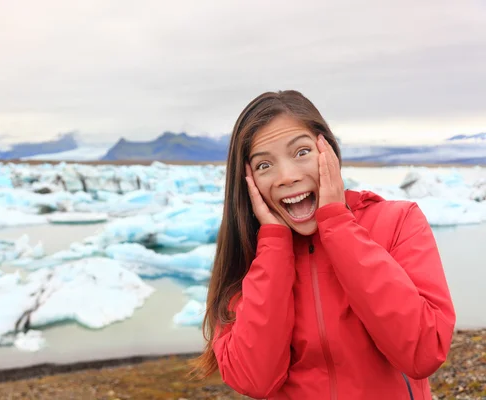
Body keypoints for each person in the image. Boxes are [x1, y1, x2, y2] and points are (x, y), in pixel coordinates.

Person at [192, 90, 456, 399]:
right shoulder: (247, 258)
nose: (287, 176)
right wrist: (274, 249)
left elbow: (423, 352)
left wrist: (339, 226)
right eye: (265, 165)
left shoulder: (397, 222)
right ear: (246, 182)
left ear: (328, 150)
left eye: (301, 152)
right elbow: (255, 380)